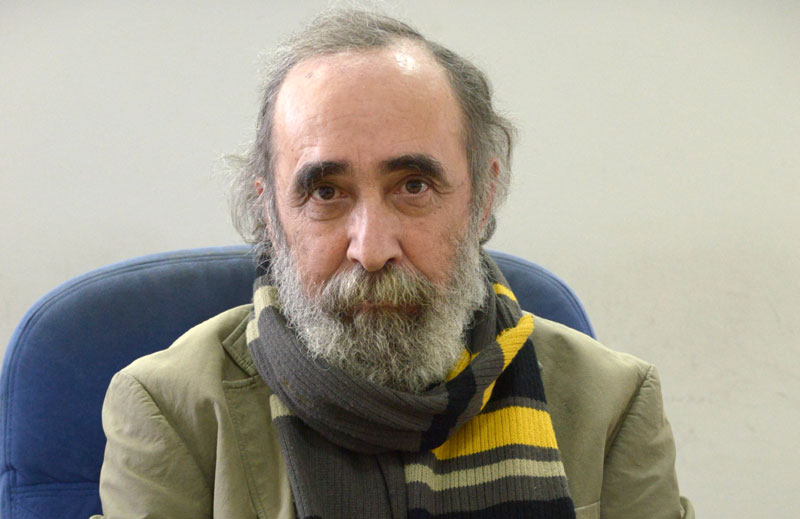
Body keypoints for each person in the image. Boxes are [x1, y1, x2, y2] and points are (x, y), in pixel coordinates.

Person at [92, 9, 693, 519]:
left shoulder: (613, 403)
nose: (371, 248)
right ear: (269, 213)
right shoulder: (170, 411)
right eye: (325, 192)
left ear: (483, 195)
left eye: (413, 185)